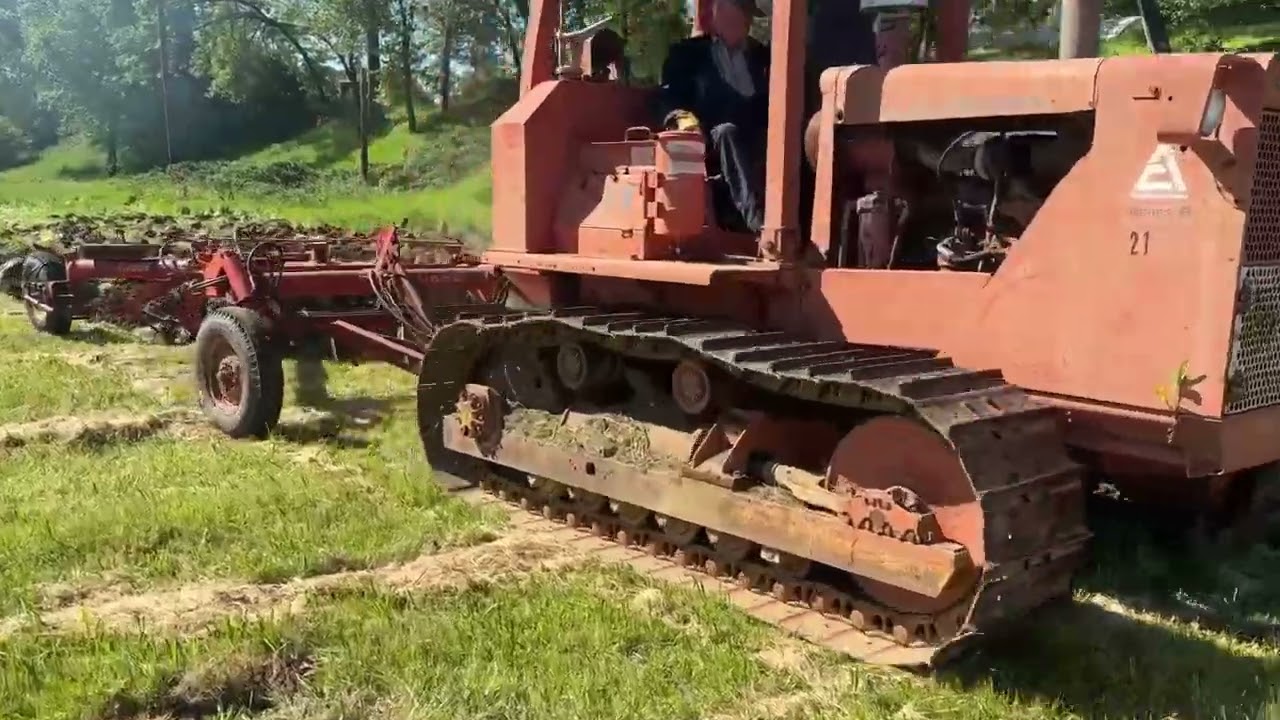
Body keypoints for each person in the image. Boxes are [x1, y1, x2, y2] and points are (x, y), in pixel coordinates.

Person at [656, 0, 770, 234]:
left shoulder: (761, 56)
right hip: (711, 138)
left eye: (750, 15)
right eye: (742, 11)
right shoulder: (688, 54)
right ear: (719, 9)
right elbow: (669, 98)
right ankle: (758, 224)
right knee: (728, 131)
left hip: (757, 136)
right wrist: (682, 117)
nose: (748, 22)